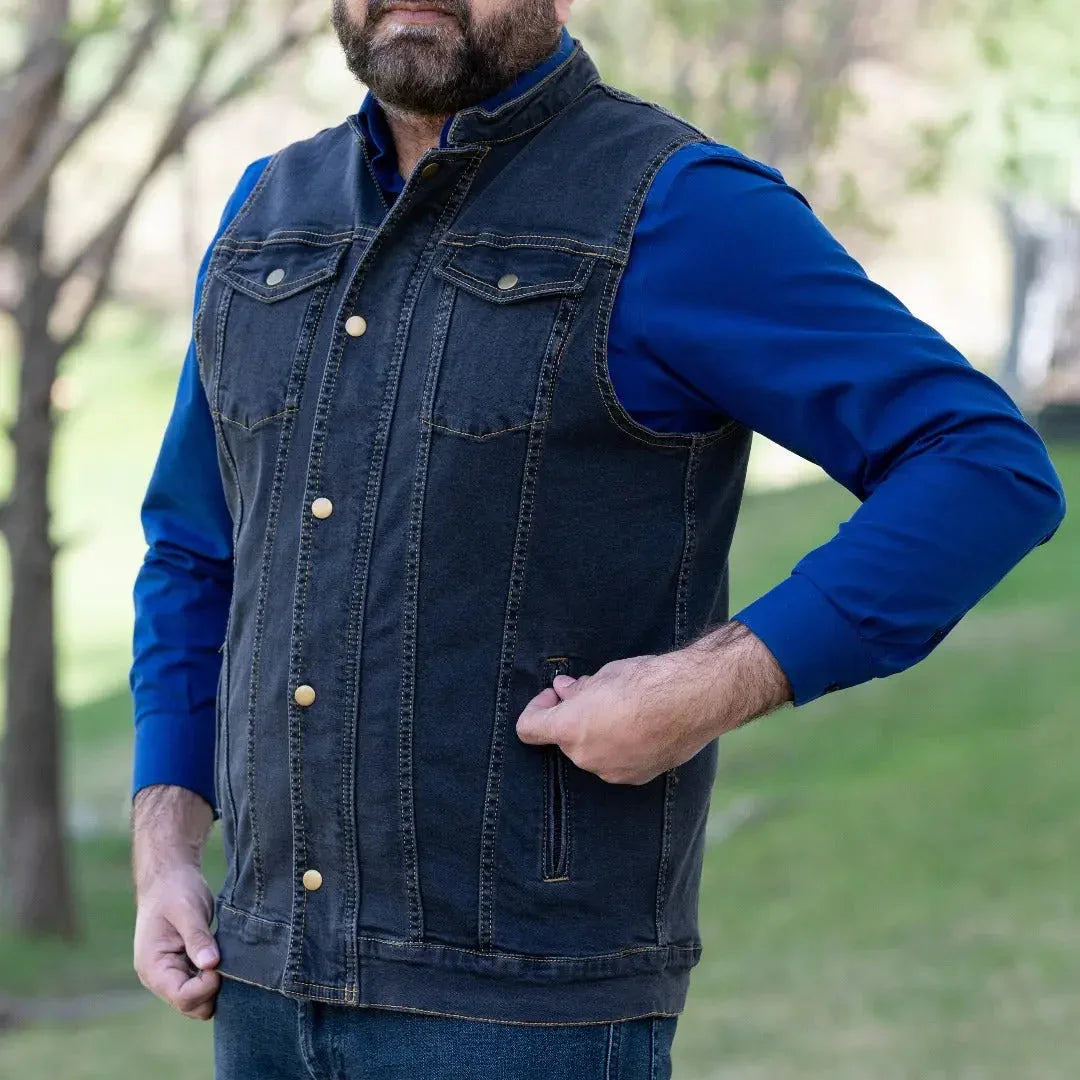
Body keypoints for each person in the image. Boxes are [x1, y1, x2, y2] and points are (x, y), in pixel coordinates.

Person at [128, 1, 1067, 1077]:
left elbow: (980, 464)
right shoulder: (264, 215)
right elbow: (197, 550)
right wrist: (165, 846)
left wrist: (715, 683)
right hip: (257, 996)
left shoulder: (680, 206)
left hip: (525, 1021)